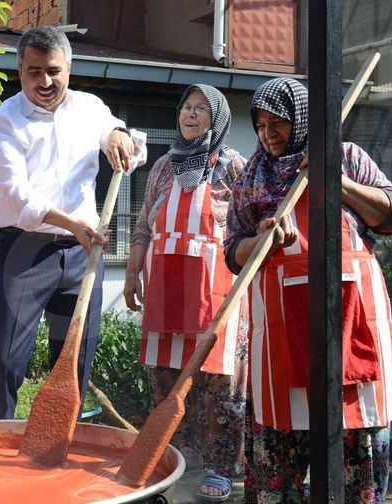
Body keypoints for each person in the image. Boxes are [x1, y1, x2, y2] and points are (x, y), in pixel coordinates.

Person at [224, 77, 392, 503]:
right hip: (281, 332)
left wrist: (337, 181)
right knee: (279, 442)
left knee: (354, 436)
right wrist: (263, 241)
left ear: (302, 121)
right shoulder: (252, 177)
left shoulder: (346, 156)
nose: (269, 135)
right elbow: (233, 252)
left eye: (279, 123)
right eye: (261, 125)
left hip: (349, 322)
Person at [0, 26, 142, 420]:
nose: (45, 81)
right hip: (24, 251)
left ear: (69, 67)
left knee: (75, 359)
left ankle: (56, 449)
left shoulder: (91, 108)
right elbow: (15, 194)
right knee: (5, 359)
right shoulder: (2, 122)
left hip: (83, 255)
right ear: (19, 69)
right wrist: (71, 223)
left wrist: (121, 136)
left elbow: (128, 146)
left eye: (54, 70)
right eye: (34, 71)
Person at [123, 84, 248, 502]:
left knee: (218, 379)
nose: (191, 115)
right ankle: (180, 456)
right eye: (186, 108)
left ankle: (221, 466)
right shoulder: (163, 165)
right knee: (166, 374)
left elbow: (250, 224)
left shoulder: (232, 166)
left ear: (218, 118)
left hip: (217, 288)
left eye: (201, 109)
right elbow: (143, 225)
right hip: (165, 286)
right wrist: (131, 273)